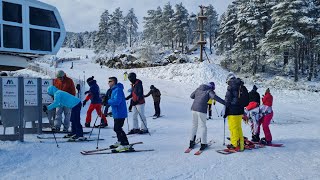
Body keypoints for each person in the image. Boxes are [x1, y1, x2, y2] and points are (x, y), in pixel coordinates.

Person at [189, 82, 225, 150]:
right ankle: (203, 144)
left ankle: (191, 143)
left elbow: (191, 96)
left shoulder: (198, 88)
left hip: (194, 109)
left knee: (194, 125)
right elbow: (214, 97)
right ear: (212, 87)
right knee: (203, 126)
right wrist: (224, 102)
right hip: (201, 109)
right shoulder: (209, 91)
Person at [107, 77, 130, 152]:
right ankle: (120, 141)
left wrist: (108, 101)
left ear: (113, 82)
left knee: (118, 128)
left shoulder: (118, 90)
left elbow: (117, 101)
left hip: (120, 112)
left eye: (110, 81)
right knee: (116, 128)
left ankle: (125, 144)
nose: (108, 83)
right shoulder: (114, 90)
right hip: (116, 112)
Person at [223, 72, 245, 152]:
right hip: (240, 111)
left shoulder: (231, 86)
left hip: (233, 110)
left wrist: (225, 110)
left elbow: (228, 100)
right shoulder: (240, 85)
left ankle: (235, 145)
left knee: (233, 128)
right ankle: (241, 145)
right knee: (238, 128)